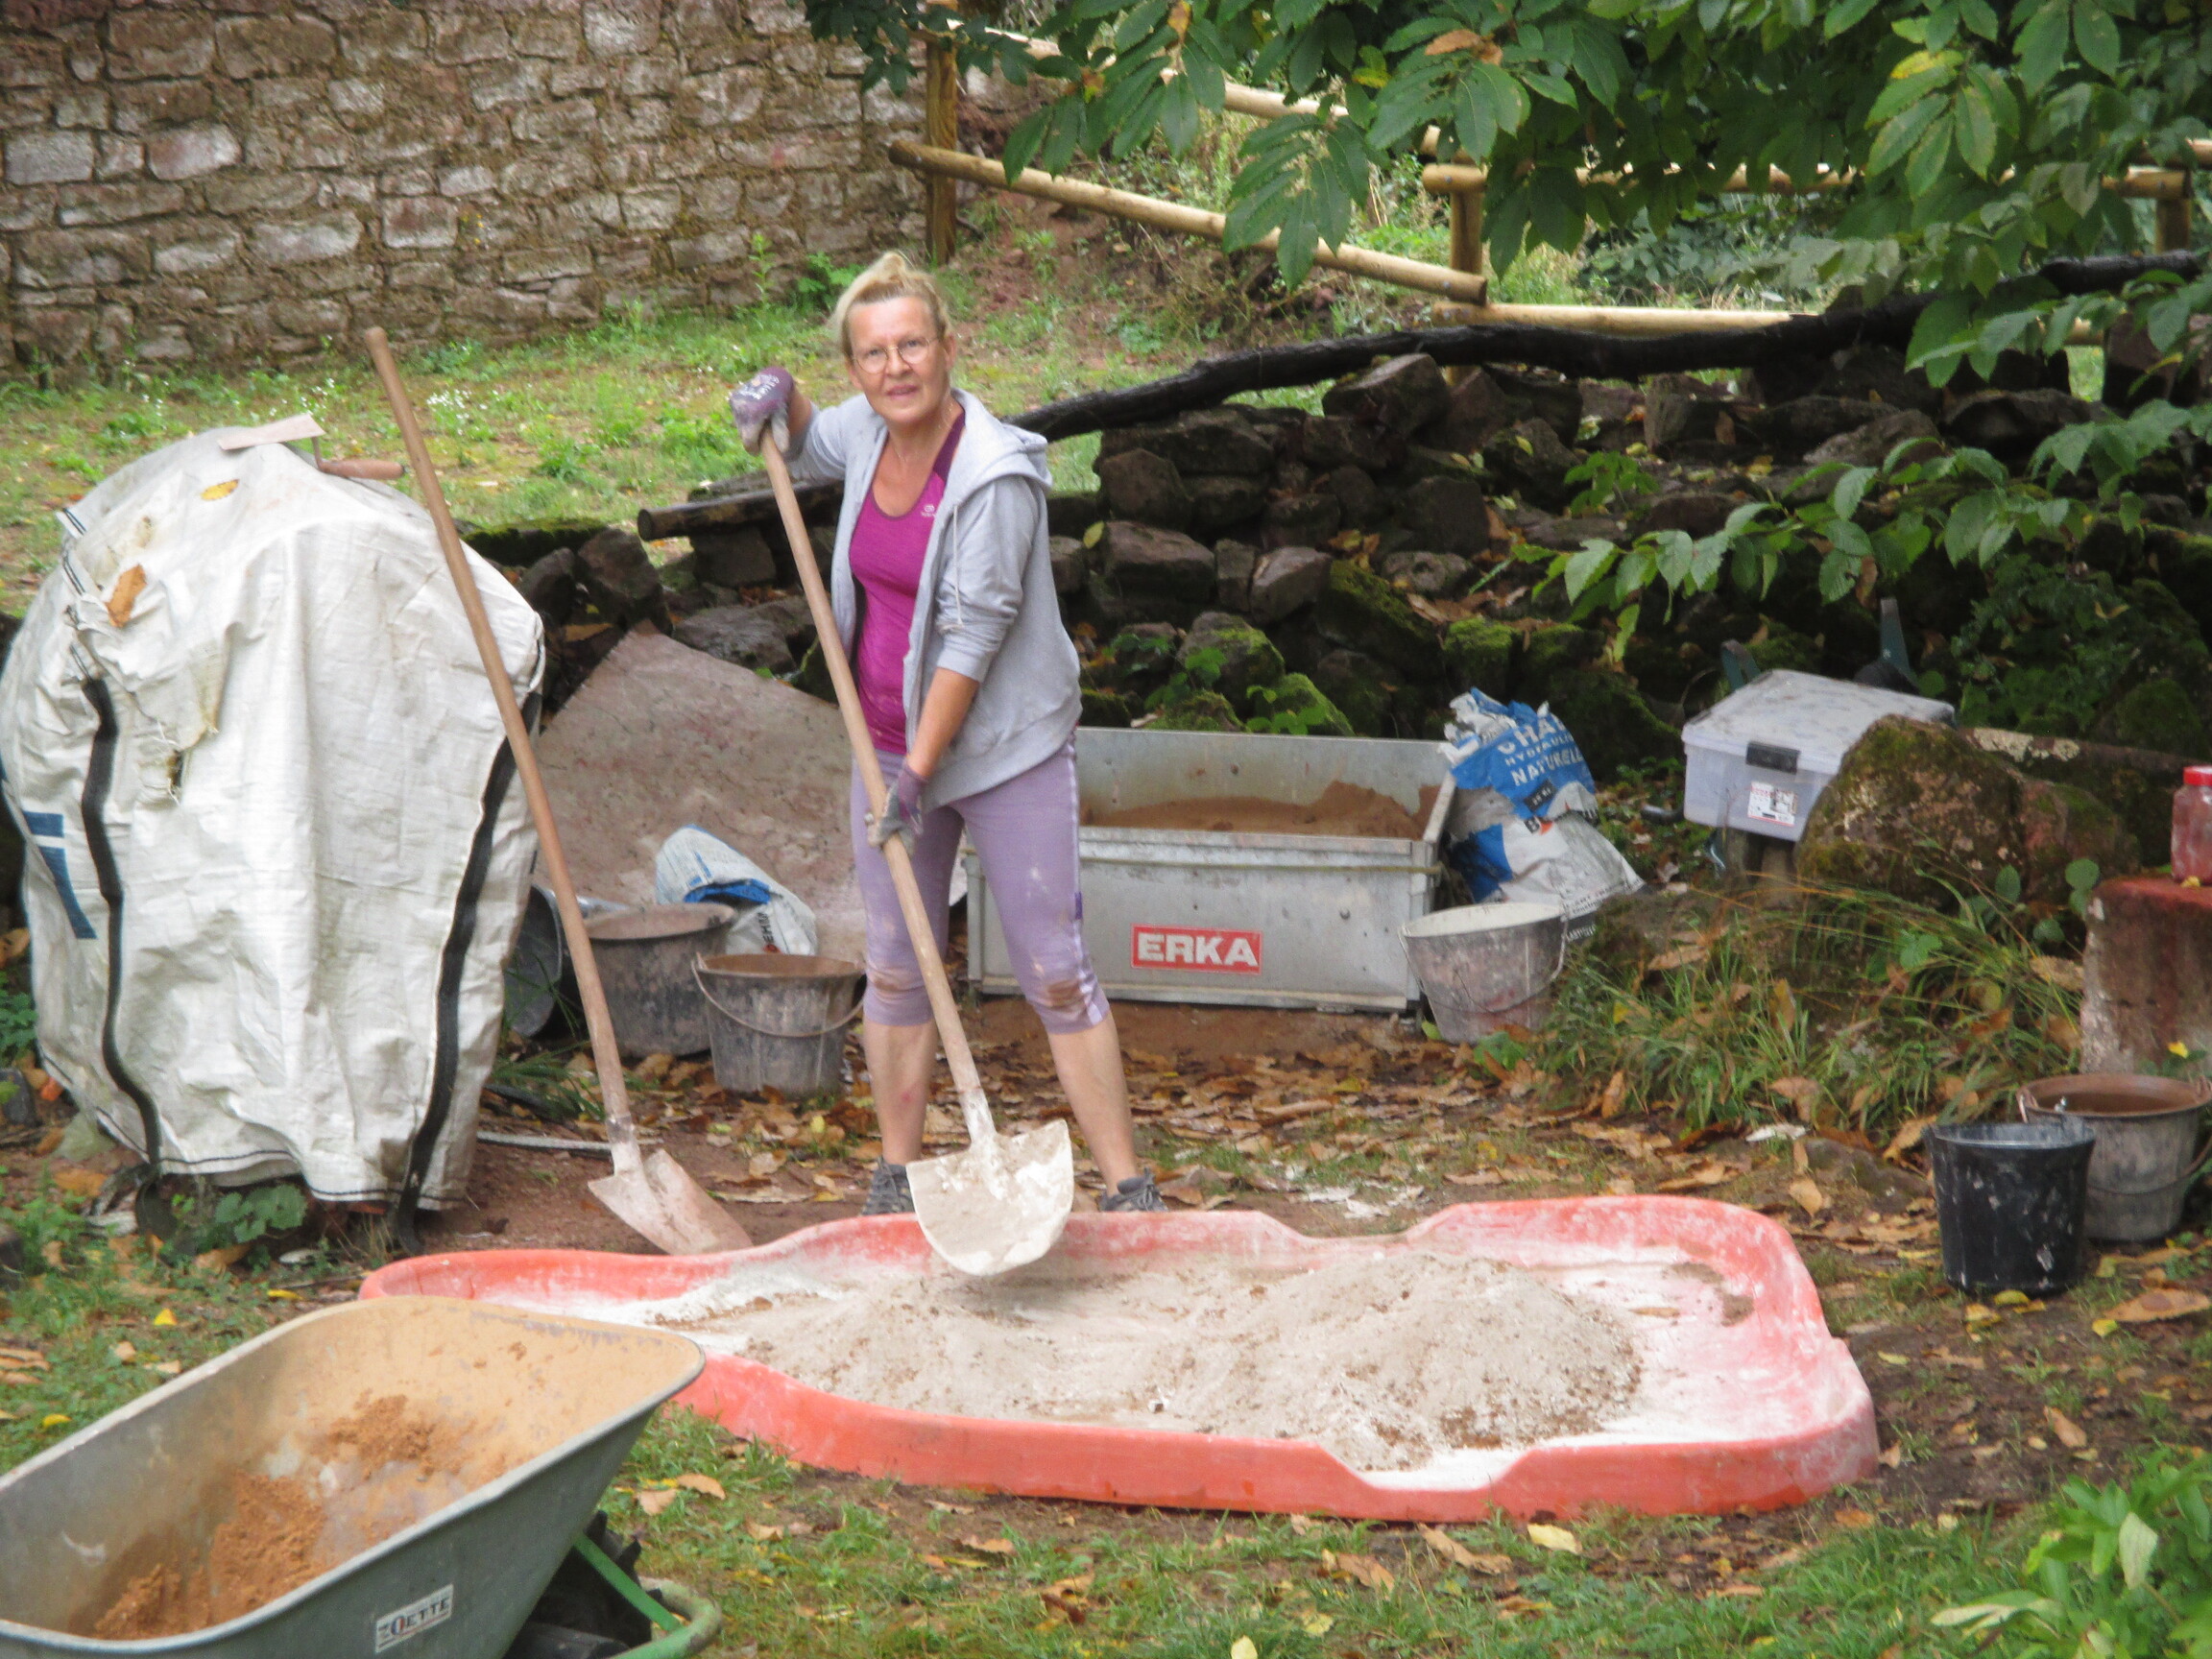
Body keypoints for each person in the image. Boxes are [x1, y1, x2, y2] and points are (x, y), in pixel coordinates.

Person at [730, 252, 1163, 1216]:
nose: (897, 368)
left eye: (913, 345)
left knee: (1054, 970)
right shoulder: (863, 430)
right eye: (874, 353)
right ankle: (897, 1177)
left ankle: (1128, 1186)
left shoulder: (993, 476)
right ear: (855, 368)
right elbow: (808, 441)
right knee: (896, 963)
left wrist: (917, 777)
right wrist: (780, 395)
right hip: (881, 743)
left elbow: (973, 636)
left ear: (949, 347)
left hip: (1002, 750)